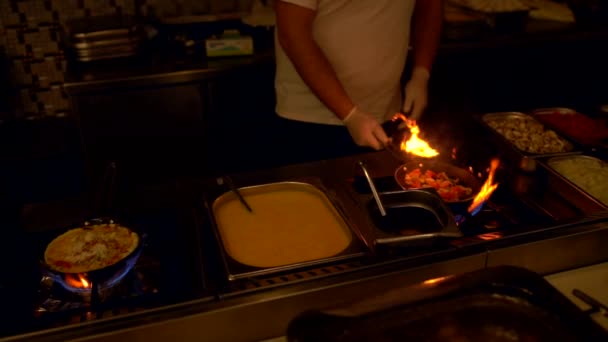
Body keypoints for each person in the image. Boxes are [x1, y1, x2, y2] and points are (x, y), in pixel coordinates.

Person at [271, 0, 443, 164]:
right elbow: (292, 33)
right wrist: (349, 114)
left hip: (387, 114)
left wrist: (421, 73)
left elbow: (430, 6)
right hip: (310, 122)